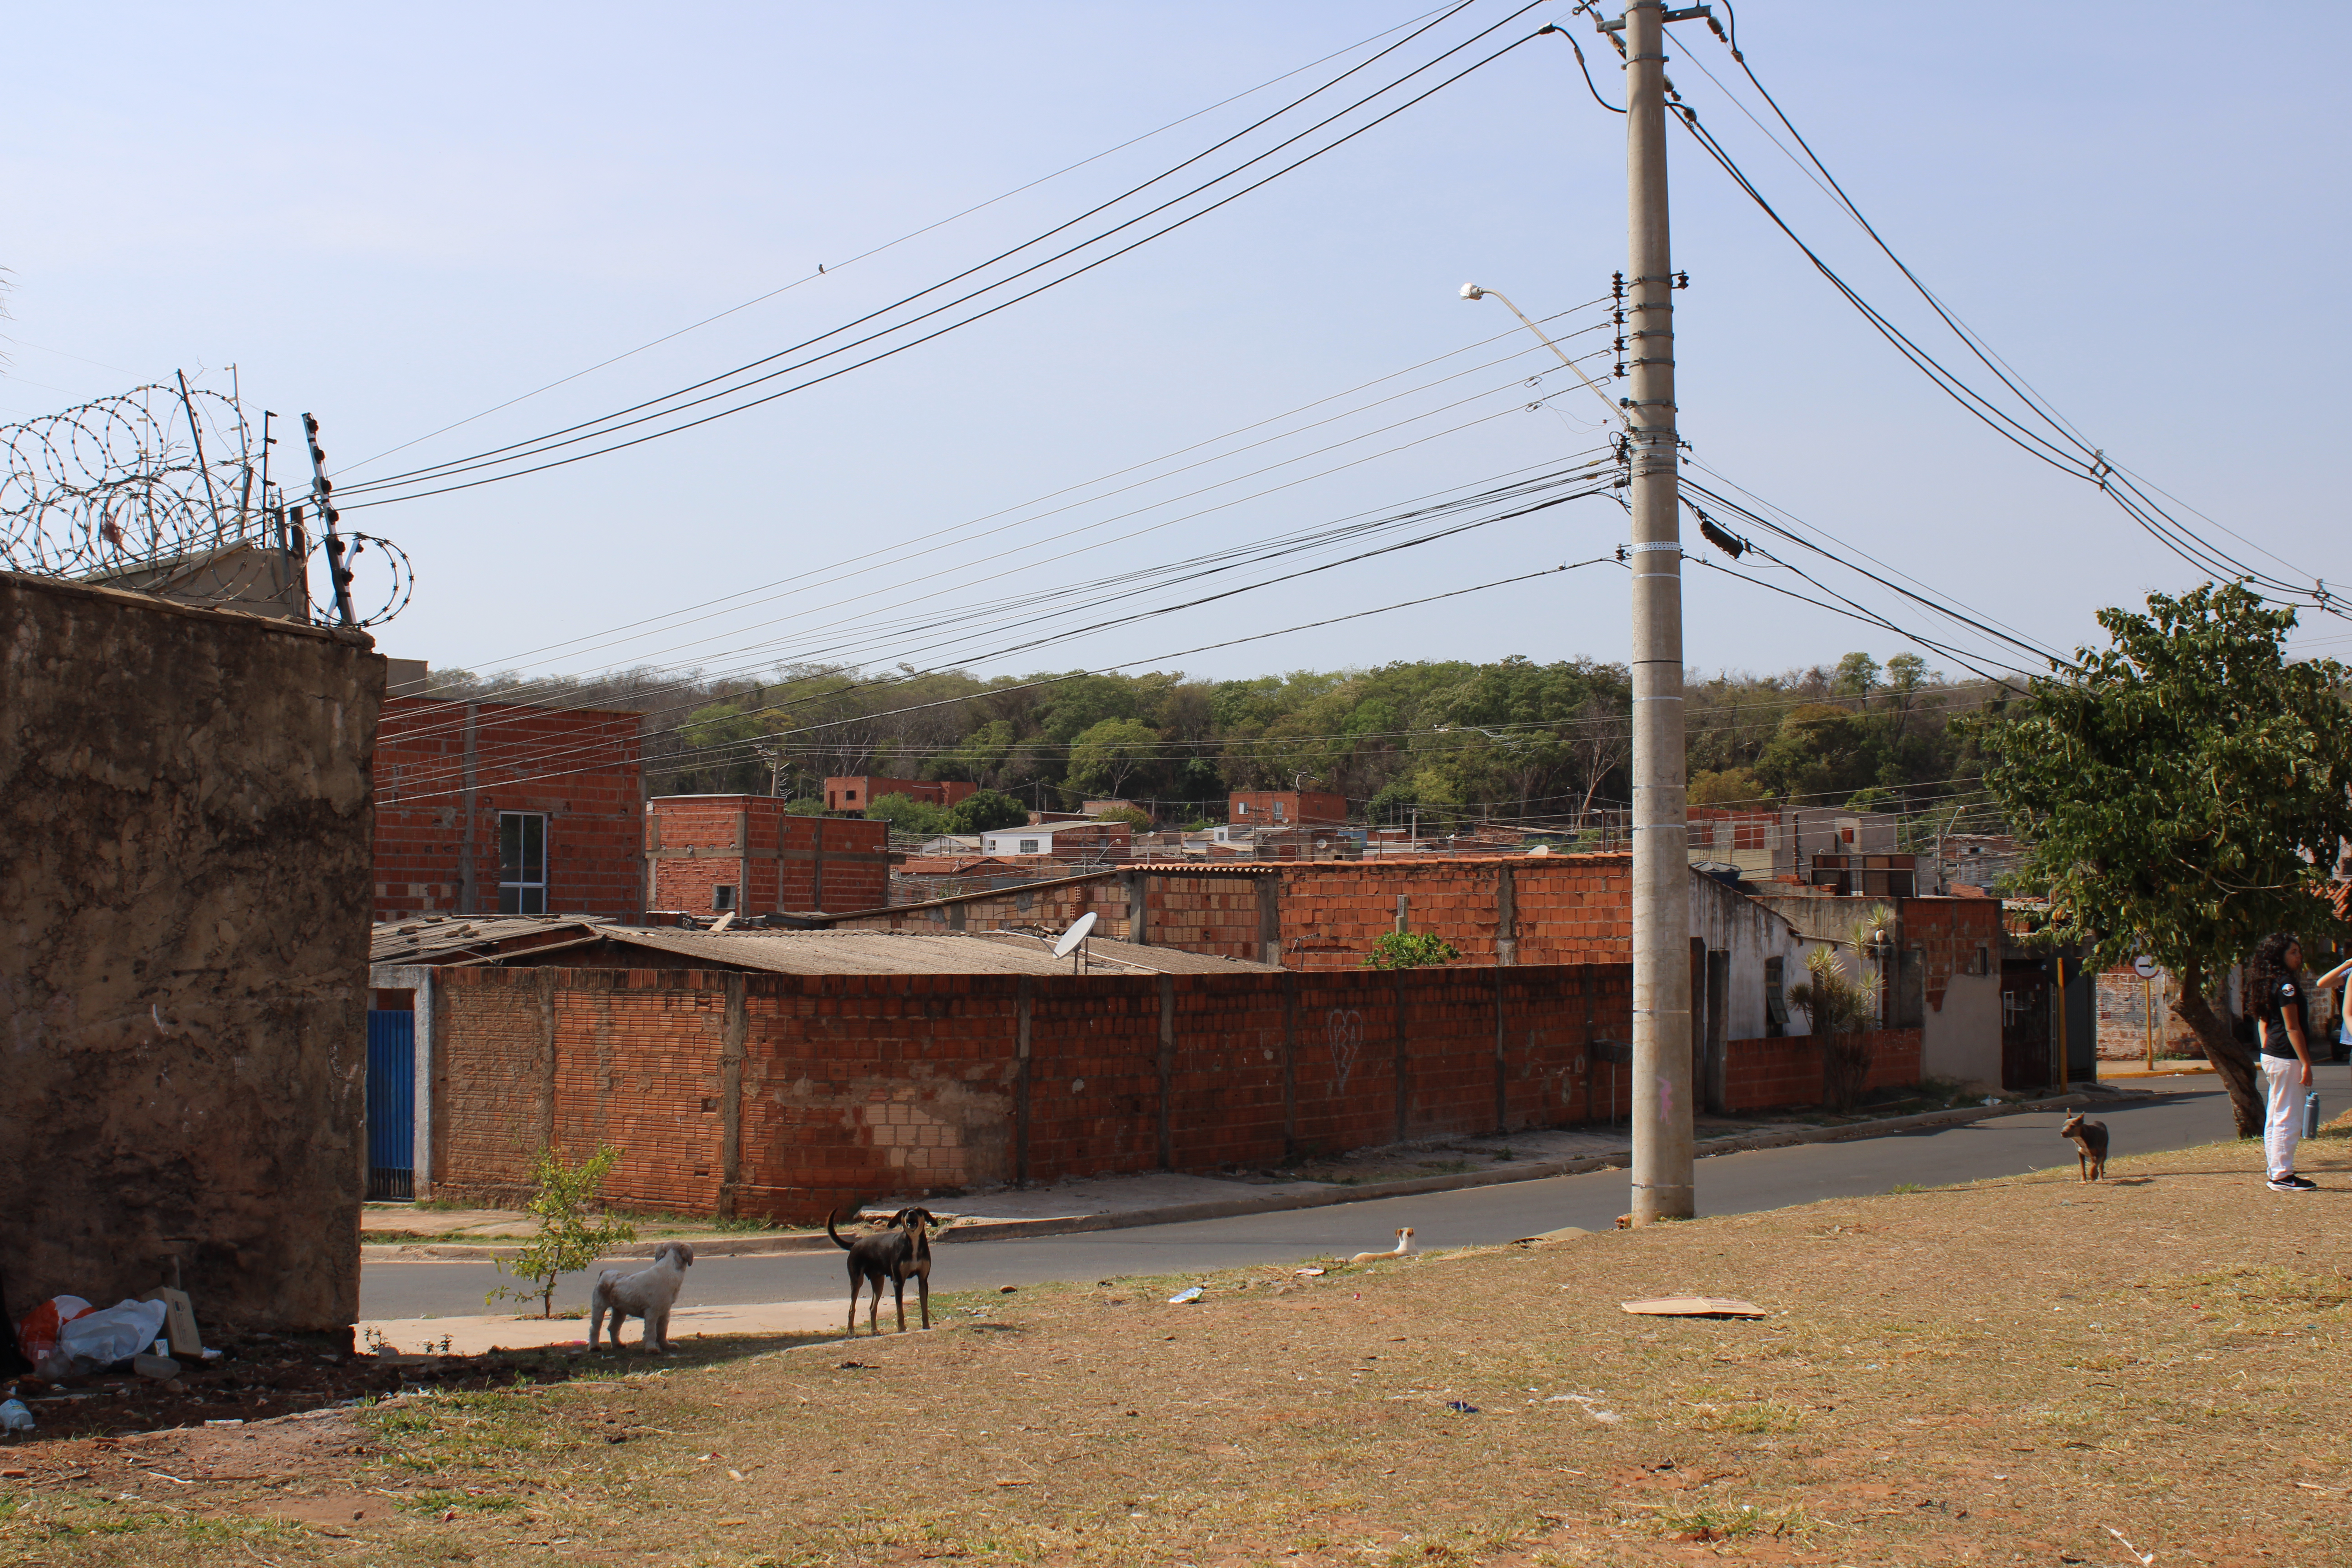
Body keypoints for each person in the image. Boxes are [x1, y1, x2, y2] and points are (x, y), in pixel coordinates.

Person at [2248, 933, 2352, 1192]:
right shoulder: (2286, 985)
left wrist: (2266, 1049)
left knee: (2276, 1113)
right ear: (2280, 956)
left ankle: (2276, 1169)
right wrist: (2306, 1062)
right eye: (2293, 952)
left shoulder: (2268, 982)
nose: (2299, 956)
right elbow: (2292, 1028)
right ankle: (2283, 1176)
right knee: (2288, 1115)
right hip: (2286, 1056)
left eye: (2299, 951)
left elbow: (2264, 1022)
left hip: (2273, 1054)